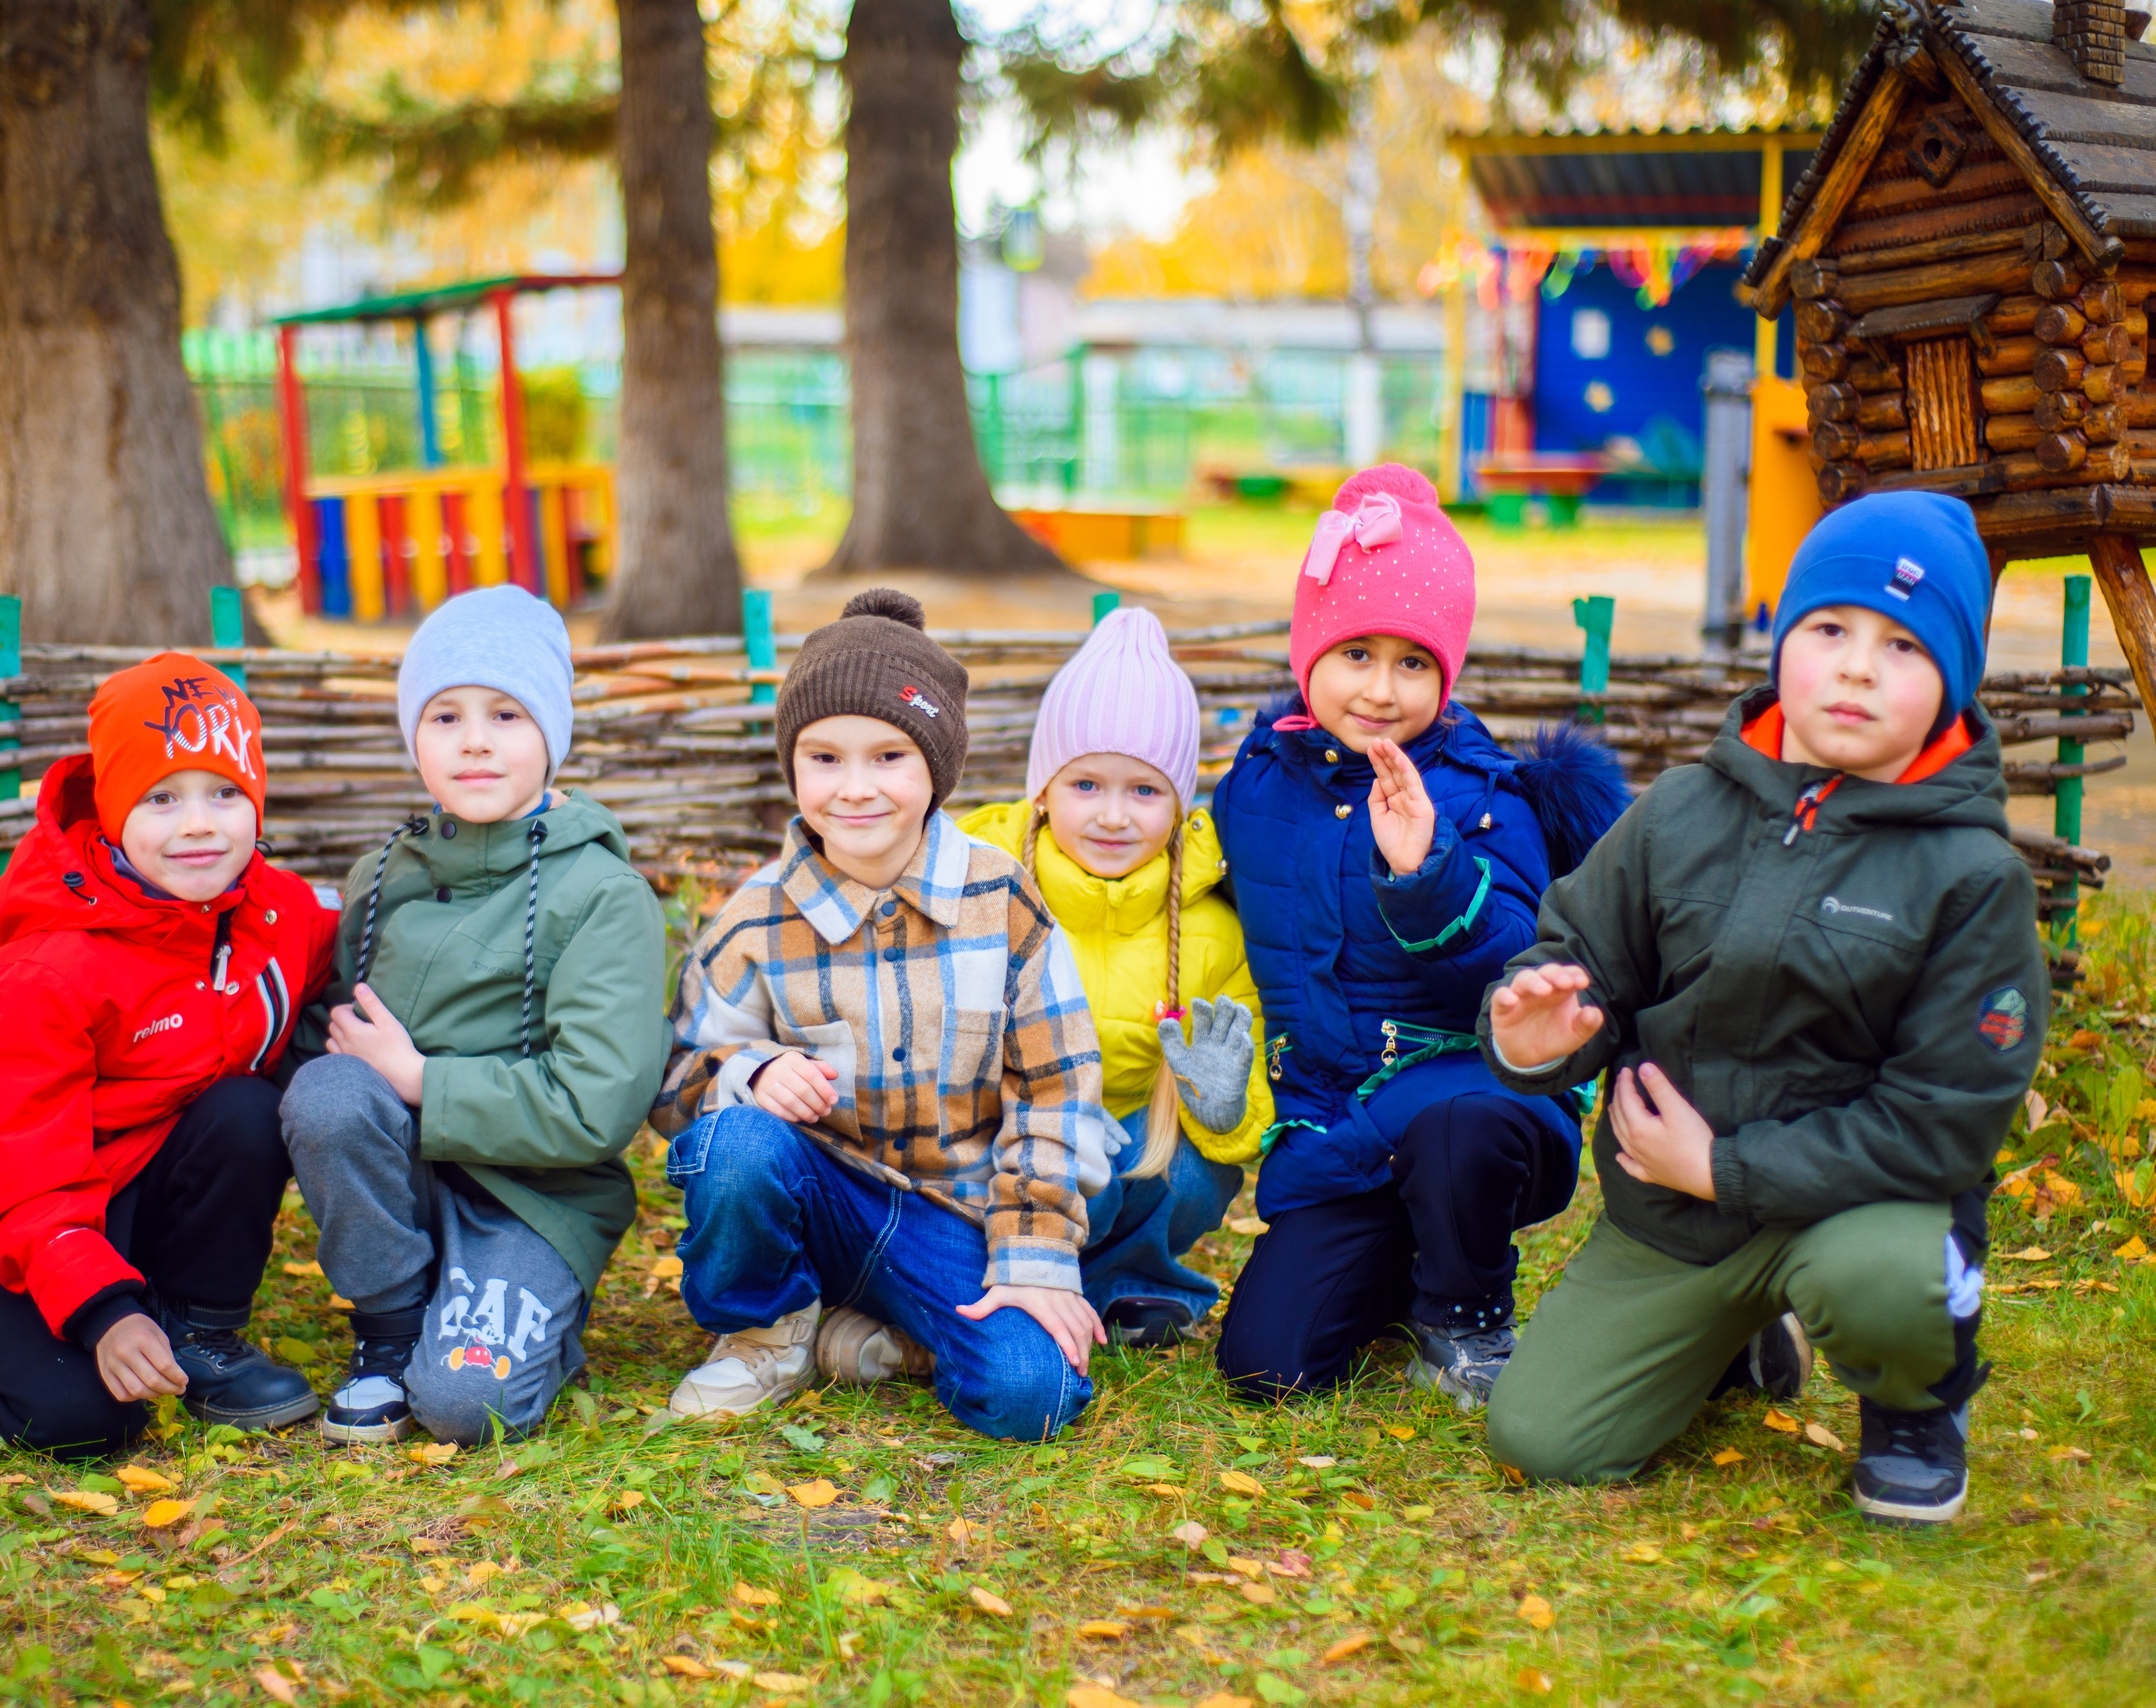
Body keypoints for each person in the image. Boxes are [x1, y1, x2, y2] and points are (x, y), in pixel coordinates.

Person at [1482, 491, 2042, 1526]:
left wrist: (1724, 1168)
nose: (1859, 666)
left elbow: (1943, 1121)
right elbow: (1578, 955)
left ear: (1954, 685)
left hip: (1855, 1212)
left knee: (1889, 1278)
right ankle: (1732, 1342)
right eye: (1829, 628)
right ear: (1782, 640)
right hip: (1677, 1220)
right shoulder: (1684, 810)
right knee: (1541, 1438)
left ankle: (1919, 1402)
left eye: (1905, 646)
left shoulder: (1973, 877)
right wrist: (1534, 1034)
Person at [1211, 463, 1632, 1410]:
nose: (1381, 688)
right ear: (1305, 652)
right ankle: (1406, 1257)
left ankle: (1468, 1311)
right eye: (1354, 652)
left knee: (1456, 1130)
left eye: (1412, 662)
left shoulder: (1485, 803)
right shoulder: (1253, 791)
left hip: (1475, 1104)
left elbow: (1516, 985)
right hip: (1336, 1124)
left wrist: (1425, 875)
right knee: (1268, 1367)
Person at [652, 589, 1114, 1440]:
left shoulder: (1000, 897)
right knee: (737, 1143)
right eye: (824, 758)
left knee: (1029, 1397)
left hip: (955, 1216)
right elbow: (674, 1078)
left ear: (935, 765)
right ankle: (764, 1330)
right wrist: (748, 1070)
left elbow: (1055, 1088)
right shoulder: (756, 916)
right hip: (813, 1202)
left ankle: (873, 1338)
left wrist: (1036, 1256)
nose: (854, 788)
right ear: (791, 765)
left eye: (888, 757)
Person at [279, 587, 668, 1447]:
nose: (476, 740)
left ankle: (527, 1319)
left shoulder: (602, 896)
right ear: (414, 737)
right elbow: (328, 1040)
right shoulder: (378, 877)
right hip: (403, 1182)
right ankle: (388, 1326)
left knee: (463, 1408)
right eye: (445, 716)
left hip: (531, 1196)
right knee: (331, 1092)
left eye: (507, 713)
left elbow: (596, 1104)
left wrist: (421, 1080)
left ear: (551, 734)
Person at [0, 654, 336, 1459]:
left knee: (246, 1109)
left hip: (166, 1198)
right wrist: (103, 1310)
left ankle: (201, 1331)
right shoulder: (42, 974)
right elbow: (13, 1166)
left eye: (225, 793)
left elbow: (355, 951)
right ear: (112, 811)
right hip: (43, 1219)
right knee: (80, 1425)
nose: (198, 824)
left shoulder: (281, 916)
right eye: (161, 798)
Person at [957, 606, 1271, 1347]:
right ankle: (1008, 1271)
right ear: (1043, 789)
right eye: (1086, 785)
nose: (1113, 816)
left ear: (1180, 801)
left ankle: (1131, 1282)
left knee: (1190, 1167)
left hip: (1132, 1139)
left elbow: (1242, 1075)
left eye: (1144, 790)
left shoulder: (1211, 929)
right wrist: (1042, 1119)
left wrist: (1227, 1106)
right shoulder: (979, 889)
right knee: (1057, 1169)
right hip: (1003, 1142)